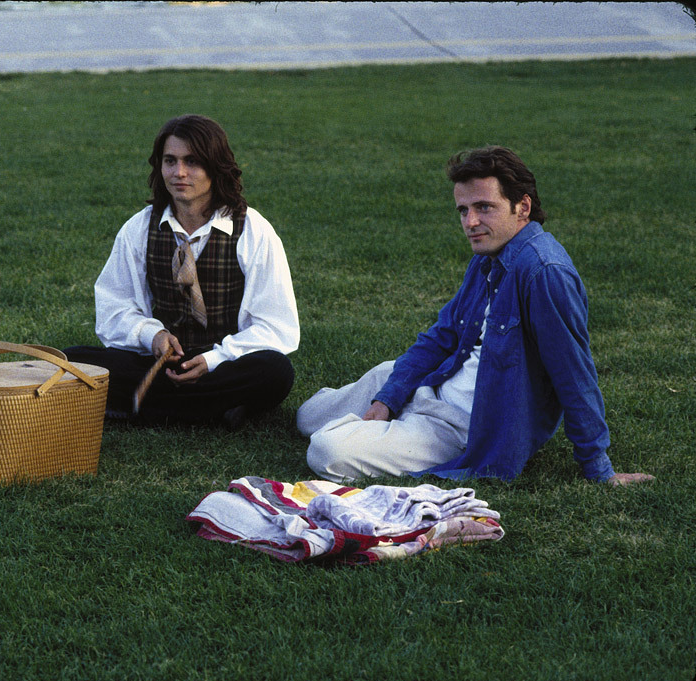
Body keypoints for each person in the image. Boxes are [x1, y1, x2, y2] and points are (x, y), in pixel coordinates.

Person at [297, 146, 654, 486]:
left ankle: (385, 431)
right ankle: (387, 417)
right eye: (463, 210)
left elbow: (575, 375)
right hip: (435, 381)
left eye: (484, 207)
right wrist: (389, 395)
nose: (471, 222)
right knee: (307, 417)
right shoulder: (487, 257)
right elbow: (442, 337)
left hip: (457, 423)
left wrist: (598, 468)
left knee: (326, 451)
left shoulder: (544, 272)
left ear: (522, 206)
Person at [64, 114, 299, 428]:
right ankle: (214, 410)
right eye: (170, 161)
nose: (179, 173)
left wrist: (212, 359)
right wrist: (154, 335)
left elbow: (275, 327)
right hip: (160, 364)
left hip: (224, 364)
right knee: (71, 359)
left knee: (275, 370)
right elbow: (114, 309)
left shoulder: (253, 230)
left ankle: (149, 408)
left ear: (216, 166)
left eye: (192, 162)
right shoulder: (139, 229)